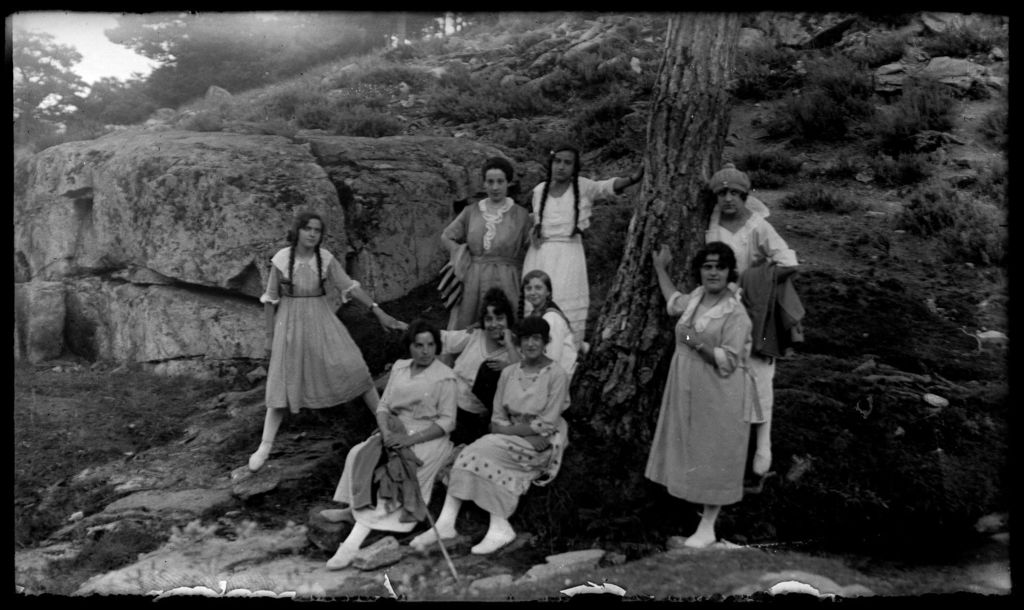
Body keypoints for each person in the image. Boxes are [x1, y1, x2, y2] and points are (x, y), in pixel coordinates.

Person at [250, 211, 406, 472]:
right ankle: (265, 445)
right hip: (289, 322)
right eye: (308, 229)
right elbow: (270, 299)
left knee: (354, 365)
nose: (312, 234)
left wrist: (377, 310)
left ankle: (384, 424)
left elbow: (349, 287)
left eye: (317, 230)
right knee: (283, 381)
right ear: (297, 231)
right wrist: (269, 337)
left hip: (321, 318)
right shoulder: (281, 259)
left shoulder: (325, 259)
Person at [409, 316, 570, 556]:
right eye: (525, 339)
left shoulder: (556, 374)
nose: (530, 344)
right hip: (509, 438)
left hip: (541, 444)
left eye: (536, 338)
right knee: (474, 453)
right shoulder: (509, 373)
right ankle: (450, 524)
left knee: (476, 452)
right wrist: (508, 431)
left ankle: (494, 527)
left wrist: (510, 431)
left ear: (545, 341)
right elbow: (496, 418)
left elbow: (546, 423)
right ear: (518, 343)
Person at [645, 241, 759, 548]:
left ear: (729, 271)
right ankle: (689, 517)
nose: (713, 273)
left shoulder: (735, 313)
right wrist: (660, 268)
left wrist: (693, 341)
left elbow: (730, 360)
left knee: (713, 450)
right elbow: (673, 301)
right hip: (686, 385)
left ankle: (708, 526)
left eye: (719, 267)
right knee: (688, 447)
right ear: (700, 271)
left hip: (718, 390)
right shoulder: (696, 298)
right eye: (707, 267)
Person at [322, 319, 458, 570]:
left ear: (437, 346)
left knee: (394, 472)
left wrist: (408, 440)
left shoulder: (445, 377)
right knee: (358, 452)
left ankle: (353, 543)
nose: (425, 350)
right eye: (419, 345)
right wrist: (385, 432)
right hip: (395, 429)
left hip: (427, 437)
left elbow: (448, 422)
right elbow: (383, 406)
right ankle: (353, 508)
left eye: (430, 345)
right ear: (410, 346)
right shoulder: (400, 368)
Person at [704, 163, 804, 479]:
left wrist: (753, 279)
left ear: (745, 196)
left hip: (752, 309)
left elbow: (788, 261)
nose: (729, 199)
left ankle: (763, 444)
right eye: (722, 193)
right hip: (719, 306)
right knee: (723, 371)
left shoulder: (757, 226)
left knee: (758, 375)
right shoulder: (711, 222)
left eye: (735, 193)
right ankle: (729, 445)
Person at [523, 144, 643, 345]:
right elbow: (537, 219)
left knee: (565, 305)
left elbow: (606, 187)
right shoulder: (539, 190)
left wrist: (632, 178)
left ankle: (567, 354)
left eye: (567, 163)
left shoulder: (583, 187)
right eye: (557, 161)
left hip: (569, 257)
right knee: (536, 304)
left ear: (575, 167)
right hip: (540, 256)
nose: (561, 167)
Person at [441, 157, 533, 331]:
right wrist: (461, 256)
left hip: (508, 278)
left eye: (500, 181)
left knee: (507, 321)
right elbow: (446, 236)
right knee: (469, 324)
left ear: (508, 183)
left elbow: (530, 247)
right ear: (484, 184)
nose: (495, 187)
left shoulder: (521, 215)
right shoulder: (471, 211)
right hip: (474, 278)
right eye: (490, 182)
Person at [441, 287, 520, 446]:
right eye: (488, 319)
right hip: (447, 400)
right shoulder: (476, 335)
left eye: (499, 318)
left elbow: (524, 376)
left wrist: (509, 356)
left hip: (473, 415)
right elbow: (446, 339)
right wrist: (409, 329)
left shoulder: (512, 350)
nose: (494, 324)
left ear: (508, 319)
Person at [520, 269, 577, 376]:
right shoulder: (535, 314)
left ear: (548, 292)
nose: (532, 292)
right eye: (528, 288)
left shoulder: (551, 317)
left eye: (538, 288)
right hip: (542, 370)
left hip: (559, 376)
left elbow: (552, 356)